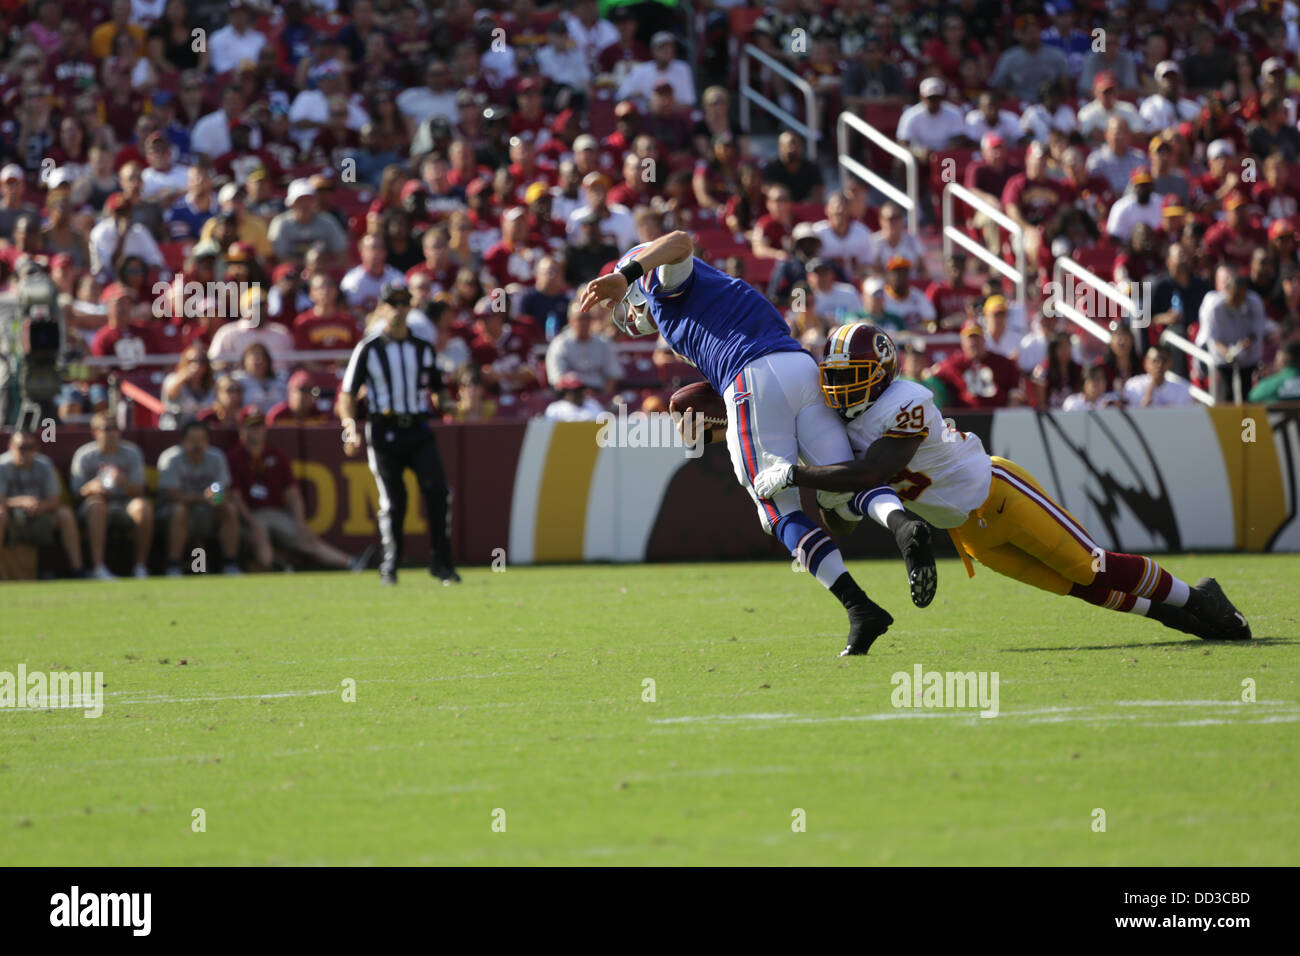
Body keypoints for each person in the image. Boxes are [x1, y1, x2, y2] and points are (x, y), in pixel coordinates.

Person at [752, 323, 1250, 644]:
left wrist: (798, 474)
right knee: (1076, 586)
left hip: (999, 492)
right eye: (834, 375)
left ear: (880, 375)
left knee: (1090, 564)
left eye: (852, 374)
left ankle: (1197, 597)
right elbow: (851, 503)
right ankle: (1171, 615)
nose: (839, 386)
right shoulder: (840, 425)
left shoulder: (904, 400)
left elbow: (871, 474)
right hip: (968, 533)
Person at [579, 230, 935, 657]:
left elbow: (678, 240)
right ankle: (903, 526)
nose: (627, 315)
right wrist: (717, 424)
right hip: (800, 369)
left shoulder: (663, 282)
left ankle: (861, 610)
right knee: (841, 489)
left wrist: (626, 272)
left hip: (751, 378)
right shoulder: (697, 299)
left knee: (775, 506)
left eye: (622, 303)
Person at [339, 283, 459, 586]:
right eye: (391, 303)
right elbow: (348, 393)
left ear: (410, 308)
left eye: (403, 303)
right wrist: (350, 426)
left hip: (417, 427)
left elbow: (439, 390)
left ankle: (441, 562)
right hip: (383, 430)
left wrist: (448, 404)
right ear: (381, 308)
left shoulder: (422, 349)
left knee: (438, 492)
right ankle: (391, 565)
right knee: (394, 501)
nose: (397, 309)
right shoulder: (368, 348)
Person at [227, 407, 358, 572]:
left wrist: (300, 523)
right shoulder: (234, 458)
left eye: (260, 425)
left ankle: (352, 563)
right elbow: (234, 497)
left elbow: (292, 494)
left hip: (275, 513)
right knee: (260, 534)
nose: (257, 430)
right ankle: (273, 569)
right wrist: (252, 523)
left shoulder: (276, 455)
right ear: (242, 429)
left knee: (306, 538)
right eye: (252, 426)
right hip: (249, 516)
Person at [69, 413, 153, 579]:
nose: (112, 433)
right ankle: (98, 568)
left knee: (143, 507)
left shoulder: (132, 453)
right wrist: (91, 488)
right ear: (95, 432)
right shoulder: (84, 455)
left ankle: (140, 567)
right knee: (97, 505)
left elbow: (140, 490)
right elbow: (75, 493)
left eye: (115, 428)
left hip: (124, 501)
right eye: (106, 429)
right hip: (93, 505)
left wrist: (124, 482)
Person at [156, 420, 242, 576]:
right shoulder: (171, 458)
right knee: (180, 510)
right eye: (192, 441)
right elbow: (172, 495)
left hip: (208, 511)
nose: (197, 445)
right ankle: (173, 564)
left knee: (228, 507)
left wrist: (215, 496)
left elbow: (222, 489)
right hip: (172, 514)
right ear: (183, 442)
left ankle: (230, 562)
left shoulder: (216, 457)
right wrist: (203, 497)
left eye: (201, 440)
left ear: (207, 442)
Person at [0, 431, 84, 578]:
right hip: (10, 516)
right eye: (21, 447)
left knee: (65, 514)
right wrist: (21, 502)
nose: (26, 452)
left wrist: (39, 505)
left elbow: (55, 499)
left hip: (40, 515)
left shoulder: (45, 464)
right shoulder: (2, 465)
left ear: (36, 448)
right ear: (11, 447)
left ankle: (78, 570)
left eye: (30, 447)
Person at [545, 296, 622, 393]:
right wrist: (579, 396)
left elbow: (613, 375)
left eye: (587, 318)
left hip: (598, 393)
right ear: (571, 320)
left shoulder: (603, 343)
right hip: (570, 396)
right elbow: (557, 380)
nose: (584, 323)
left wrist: (603, 397)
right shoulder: (560, 344)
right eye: (580, 319)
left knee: (622, 406)